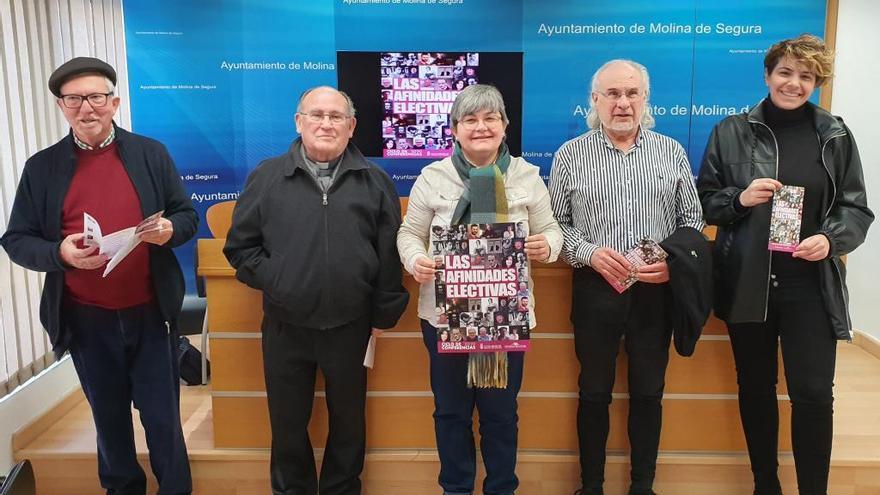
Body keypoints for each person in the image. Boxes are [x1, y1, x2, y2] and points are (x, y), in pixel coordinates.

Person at [0, 57, 196, 494]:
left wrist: (168, 230)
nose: (86, 107)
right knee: (108, 420)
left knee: (163, 417)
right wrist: (60, 252)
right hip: (87, 319)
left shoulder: (150, 153)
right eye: (74, 99)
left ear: (115, 102)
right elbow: (16, 240)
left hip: (150, 312)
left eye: (96, 97)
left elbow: (186, 216)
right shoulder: (42, 167)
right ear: (61, 106)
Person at [696, 35, 873, 495]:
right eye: (785, 72)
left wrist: (829, 239)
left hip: (811, 286)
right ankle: (765, 485)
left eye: (806, 76)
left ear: (816, 83)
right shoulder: (730, 130)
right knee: (756, 389)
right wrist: (739, 198)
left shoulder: (834, 133)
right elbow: (707, 203)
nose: (794, 83)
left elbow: (856, 210)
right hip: (749, 283)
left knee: (814, 394)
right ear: (768, 74)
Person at [223, 86, 409, 495]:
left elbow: (389, 255)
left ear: (351, 126)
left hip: (351, 325)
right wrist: (279, 279)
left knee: (348, 423)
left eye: (336, 116)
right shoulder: (267, 177)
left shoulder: (374, 180)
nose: (326, 123)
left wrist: (382, 313)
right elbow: (240, 248)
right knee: (287, 423)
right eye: (317, 114)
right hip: (285, 325)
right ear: (299, 122)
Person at [398, 84, 562, 495]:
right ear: (455, 128)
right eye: (470, 119)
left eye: (490, 118)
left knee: (501, 413)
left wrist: (547, 247)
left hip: (506, 317)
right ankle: (455, 488)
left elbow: (551, 231)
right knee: (451, 412)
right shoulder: (432, 177)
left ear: (505, 125)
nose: (481, 126)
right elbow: (409, 233)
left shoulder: (527, 176)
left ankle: (501, 487)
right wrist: (415, 260)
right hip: (443, 315)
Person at [549, 59, 704, 495]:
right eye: (612, 94)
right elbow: (555, 225)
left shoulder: (671, 152)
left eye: (631, 94)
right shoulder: (569, 155)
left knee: (648, 394)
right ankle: (591, 486)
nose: (622, 103)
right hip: (596, 289)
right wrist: (590, 252)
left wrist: (673, 264)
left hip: (656, 293)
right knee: (594, 392)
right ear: (594, 102)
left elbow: (692, 222)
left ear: (645, 100)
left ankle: (643, 486)